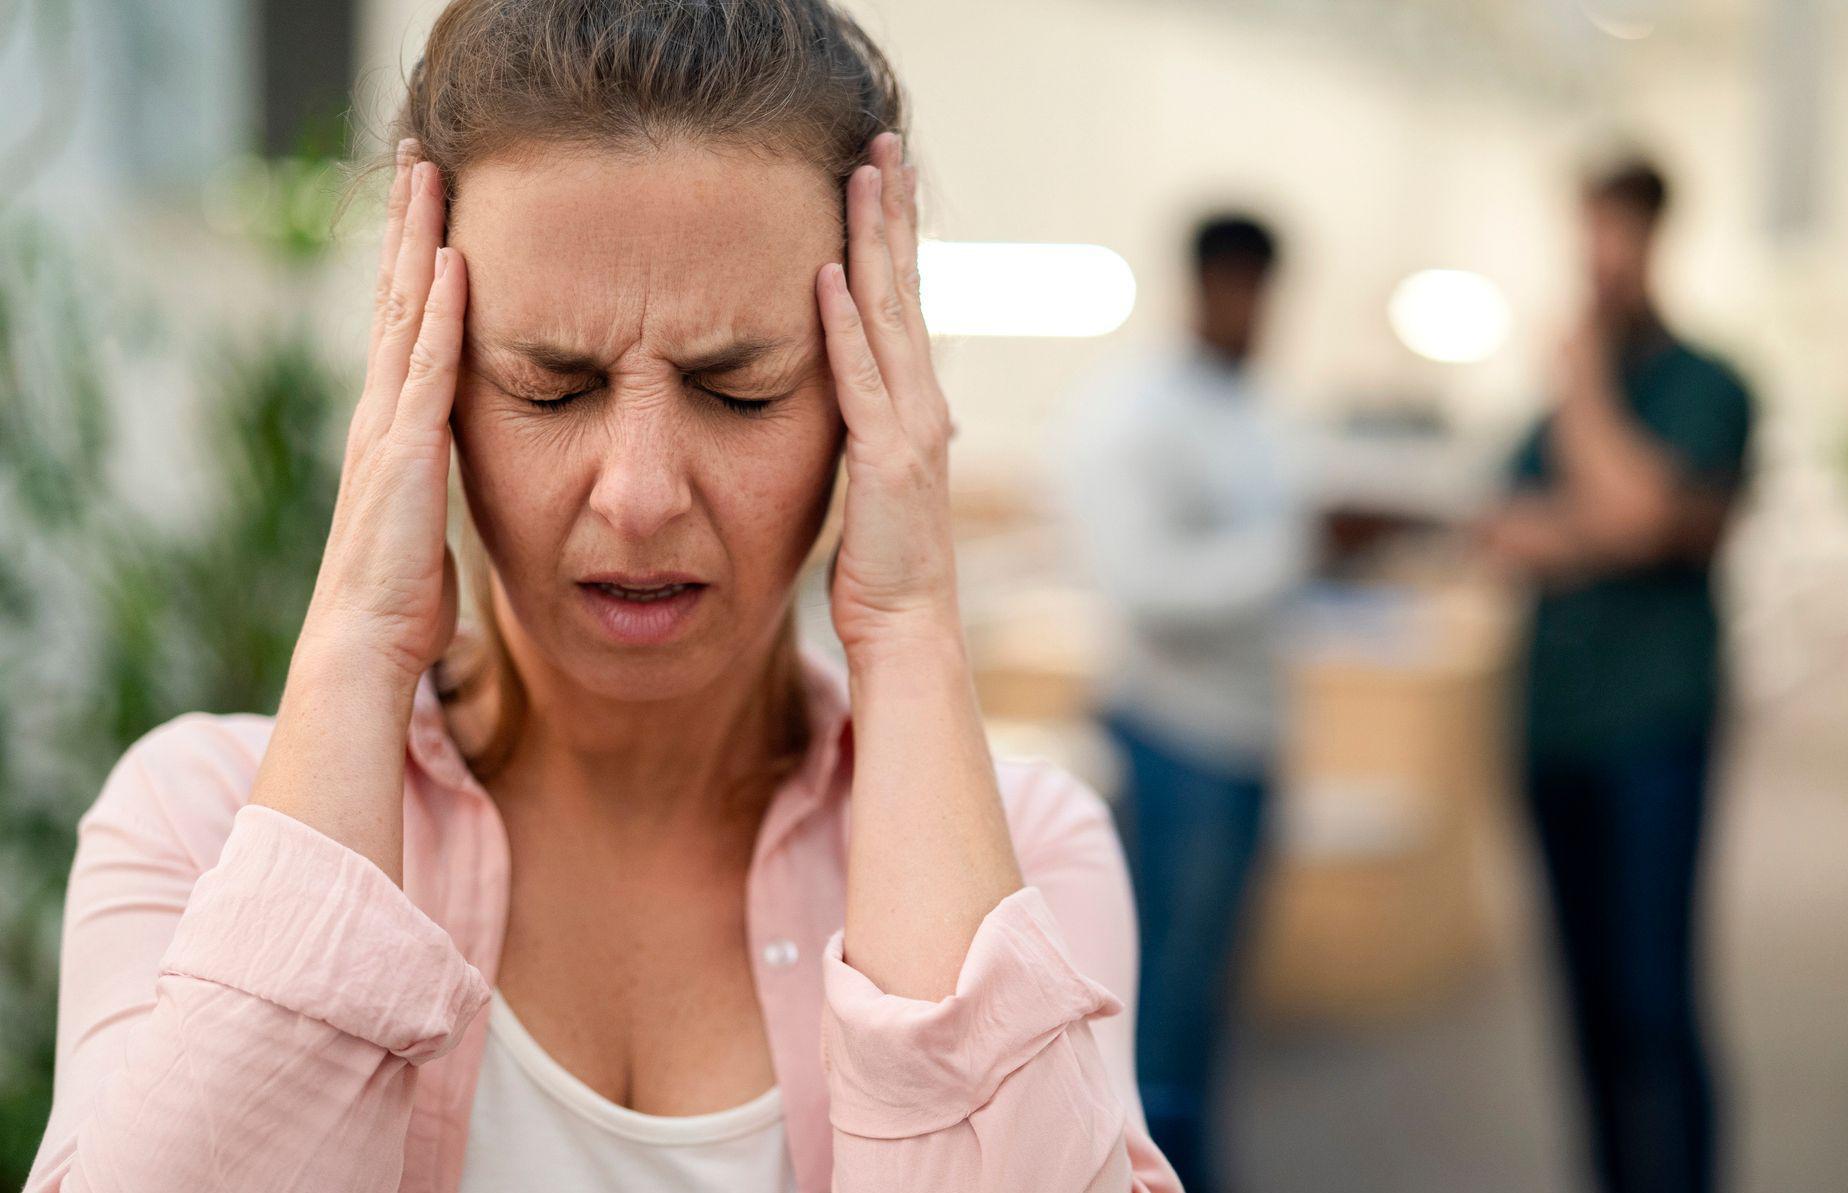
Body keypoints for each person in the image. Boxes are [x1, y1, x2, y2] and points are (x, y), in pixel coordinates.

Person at [24, 2, 1179, 1190]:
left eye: (740, 390)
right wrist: (357, 637)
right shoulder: (197, 826)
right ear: (427, 380)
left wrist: (912, 629)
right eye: (549, 386)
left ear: (862, 389)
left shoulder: (1024, 859)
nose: (637, 495)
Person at [1480, 156, 1754, 1193]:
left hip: (1653, 735)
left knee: (1655, 1001)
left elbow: (1645, 514)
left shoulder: (1708, 385)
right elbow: (1508, 529)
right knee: (1587, 1010)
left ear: (1654, 237)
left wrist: (1584, 383)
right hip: (1553, 734)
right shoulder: (1547, 415)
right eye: (1588, 230)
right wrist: (1616, 521)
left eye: (1619, 232)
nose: (1599, 256)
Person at [1059, 214, 1311, 1193]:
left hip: (1250, 737)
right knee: (1160, 1004)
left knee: (1203, 1003)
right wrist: (1299, 554)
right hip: (1176, 740)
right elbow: (1145, 588)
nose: (1255, 312)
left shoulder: (1255, 411)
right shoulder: (1136, 414)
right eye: (1242, 288)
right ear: (1206, 283)